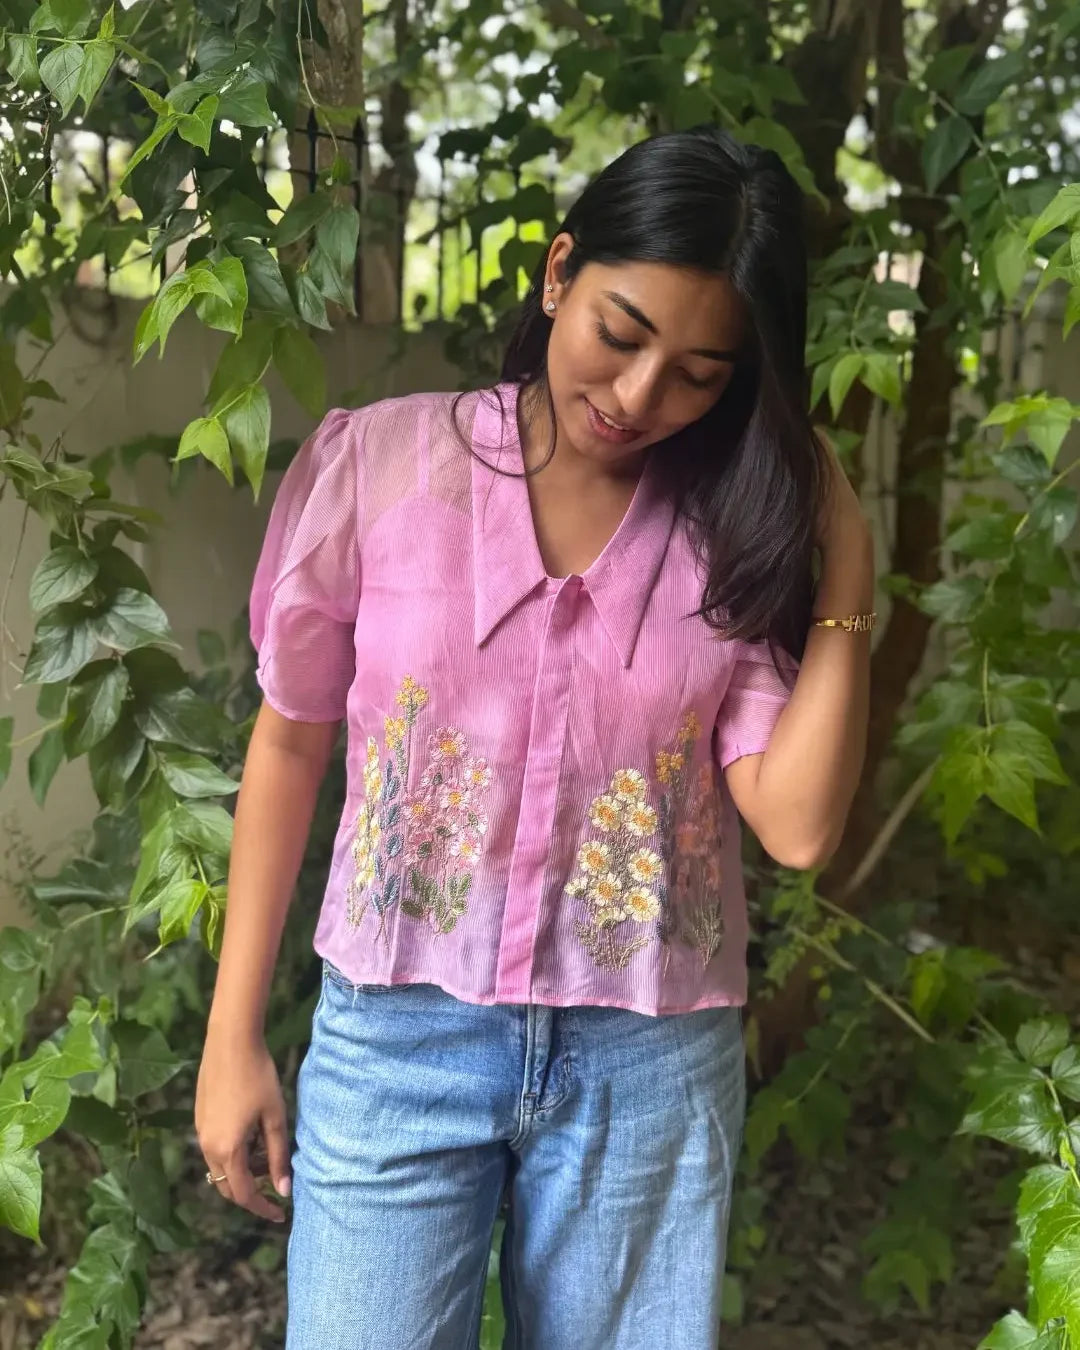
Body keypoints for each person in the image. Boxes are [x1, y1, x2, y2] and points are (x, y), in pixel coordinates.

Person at [195, 125, 874, 1350]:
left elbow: (801, 823)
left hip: (649, 1063)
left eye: (699, 373)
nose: (637, 397)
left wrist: (849, 565)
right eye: (621, 335)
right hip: (398, 1037)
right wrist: (232, 1032)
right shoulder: (386, 469)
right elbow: (290, 744)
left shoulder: (729, 539)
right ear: (560, 273)